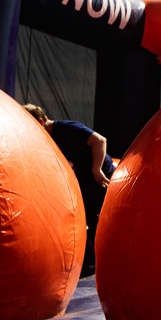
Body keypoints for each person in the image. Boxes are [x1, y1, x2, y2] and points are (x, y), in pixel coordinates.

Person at [24, 103, 115, 275]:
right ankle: (87, 263)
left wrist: (97, 168)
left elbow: (100, 140)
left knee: (100, 220)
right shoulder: (48, 142)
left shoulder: (66, 129)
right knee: (84, 219)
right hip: (84, 182)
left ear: (42, 122)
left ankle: (101, 265)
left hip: (101, 178)